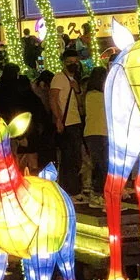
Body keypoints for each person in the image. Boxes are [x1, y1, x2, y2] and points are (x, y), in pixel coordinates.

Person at [50, 49, 85, 200]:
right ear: (63, 62)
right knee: (69, 157)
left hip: (75, 120)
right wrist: (58, 119)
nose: (73, 65)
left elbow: (80, 103)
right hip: (66, 122)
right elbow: (53, 99)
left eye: (75, 62)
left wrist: (77, 90)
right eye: (70, 62)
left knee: (75, 156)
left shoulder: (74, 79)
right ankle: (70, 189)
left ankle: (73, 187)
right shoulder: (58, 78)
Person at [83, 67, 107, 204]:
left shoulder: (89, 95)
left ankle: (98, 193)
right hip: (101, 133)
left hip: (91, 132)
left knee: (99, 164)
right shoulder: (101, 96)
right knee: (102, 165)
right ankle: (99, 194)